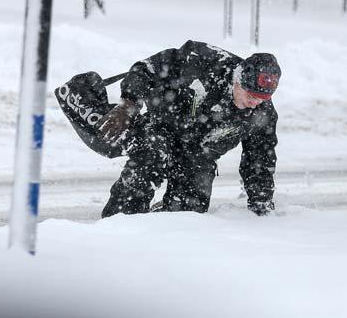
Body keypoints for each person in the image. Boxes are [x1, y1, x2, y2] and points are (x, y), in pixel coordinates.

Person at [98, 40, 281, 218]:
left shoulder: (263, 114)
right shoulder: (203, 60)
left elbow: (260, 160)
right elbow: (146, 69)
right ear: (237, 80)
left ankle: (165, 228)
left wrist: (261, 203)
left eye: (261, 99)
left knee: (189, 214)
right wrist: (128, 104)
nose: (254, 103)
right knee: (152, 156)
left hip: (198, 155)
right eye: (250, 95)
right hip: (161, 129)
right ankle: (118, 223)